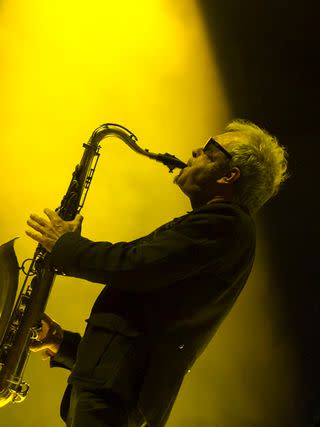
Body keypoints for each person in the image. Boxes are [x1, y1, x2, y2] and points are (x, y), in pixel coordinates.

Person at [26, 120, 288, 427]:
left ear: (230, 175)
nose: (195, 151)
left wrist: (66, 246)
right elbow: (142, 332)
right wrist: (60, 343)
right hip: (110, 393)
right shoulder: (217, 226)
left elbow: (134, 265)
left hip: (115, 400)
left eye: (209, 152)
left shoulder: (226, 224)